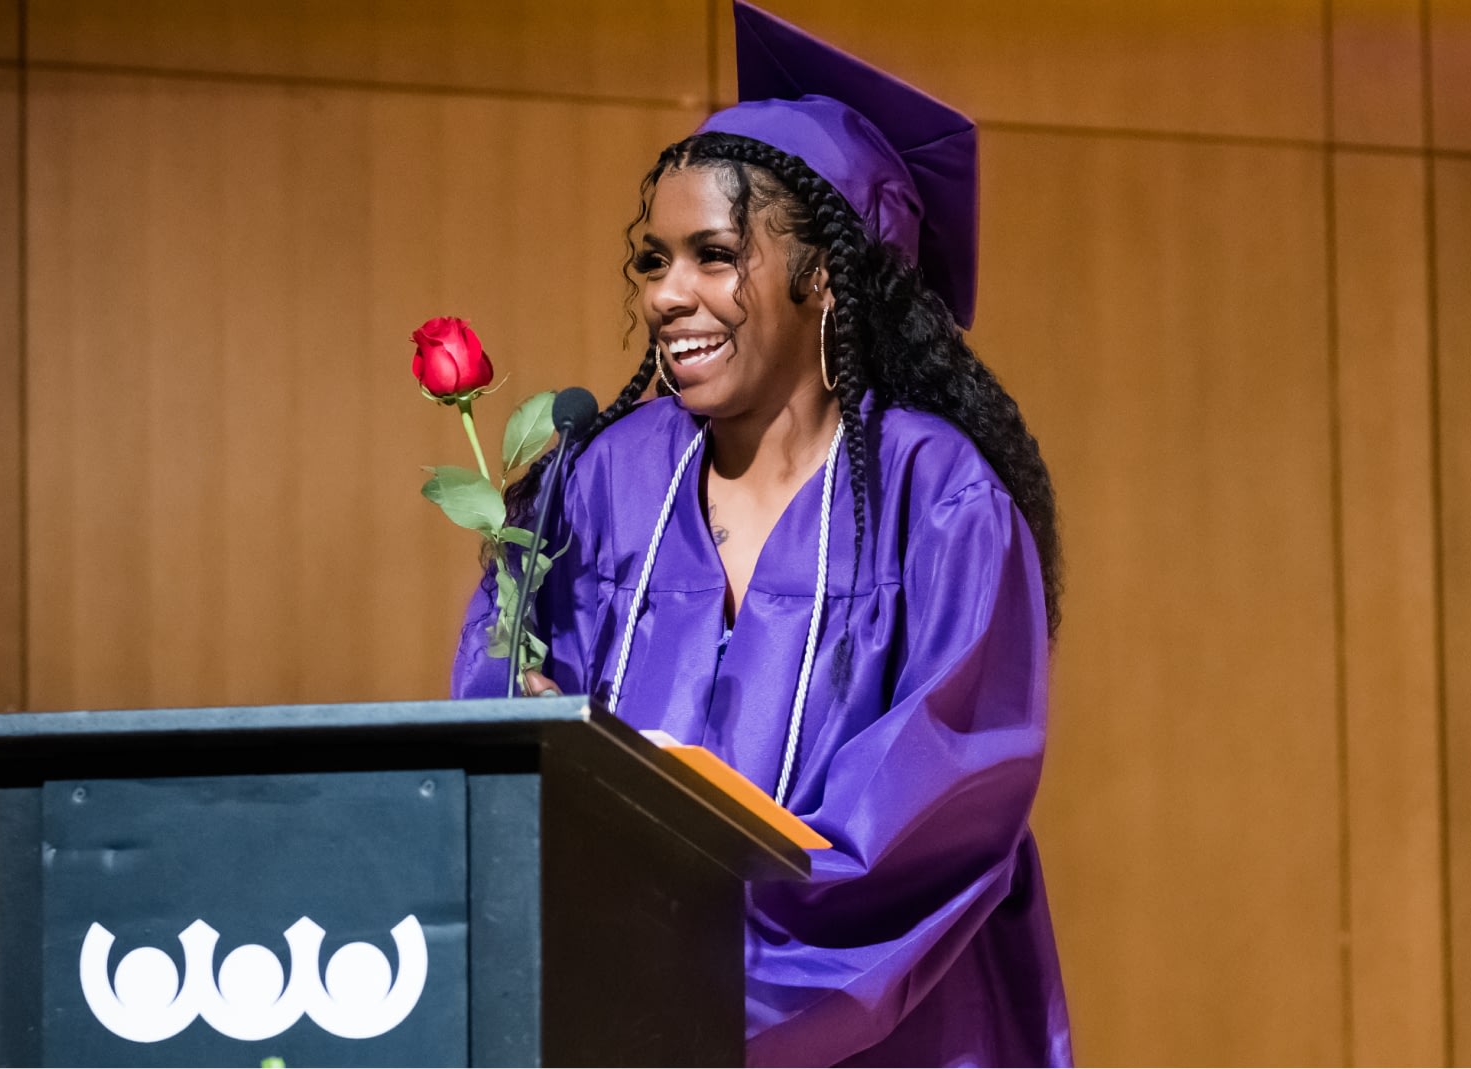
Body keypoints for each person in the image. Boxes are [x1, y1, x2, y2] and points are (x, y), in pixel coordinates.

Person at [451, 3, 1072, 1064]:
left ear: (825, 275)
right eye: (655, 259)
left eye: (714, 254)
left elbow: (932, 822)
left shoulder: (939, 499)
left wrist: (692, 975)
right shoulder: (602, 479)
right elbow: (499, 712)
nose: (668, 295)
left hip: (887, 1020)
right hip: (621, 1004)